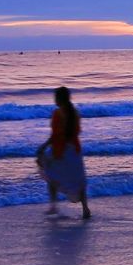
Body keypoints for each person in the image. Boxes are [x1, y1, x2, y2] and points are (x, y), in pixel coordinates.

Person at [36, 85, 90, 219]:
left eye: (55, 97)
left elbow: (56, 135)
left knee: (50, 174)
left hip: (61, 150)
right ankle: (85, 209)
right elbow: (74, 132)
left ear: (59, 98)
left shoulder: (58, 113)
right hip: (74, 150)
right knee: (78, 180)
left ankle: (53, 206)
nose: (54, 99)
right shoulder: (75, 112)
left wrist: (44, 146)